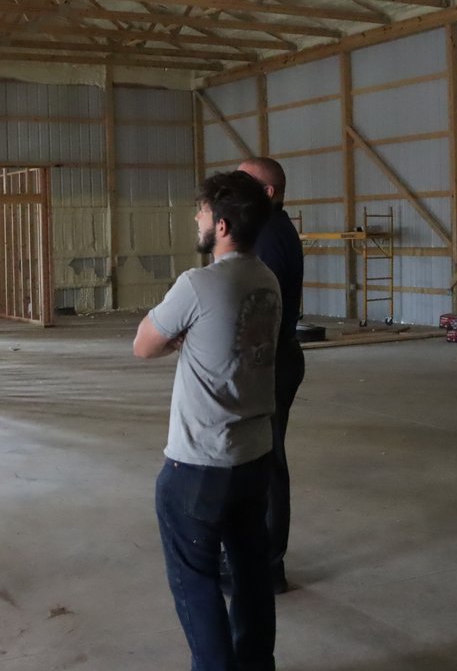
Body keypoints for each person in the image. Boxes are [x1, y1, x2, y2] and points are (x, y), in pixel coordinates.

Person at [134, 171, 280, 671]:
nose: (194, 218)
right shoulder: (266, 279)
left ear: (220, 225)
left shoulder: (197, 284)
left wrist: (181, 336)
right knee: (251, 575)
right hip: (254, 454)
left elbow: (143, 344)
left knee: (195, 582)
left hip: (199, 463)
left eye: (199, 212)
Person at [238, 157, 305, 594]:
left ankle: (268, 566)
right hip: (274, 359)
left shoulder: (269, 235)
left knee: (267, 462)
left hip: (272, 362)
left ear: (268, 193)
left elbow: (263, 312)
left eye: (245, 182)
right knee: (259, 459)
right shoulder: (265, 231)